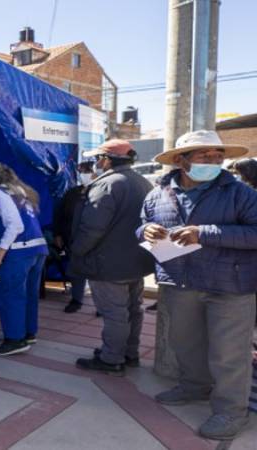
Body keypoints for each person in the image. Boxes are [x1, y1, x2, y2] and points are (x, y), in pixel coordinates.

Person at [139, 130, 257, 440]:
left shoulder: (241, 194)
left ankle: (231, 412)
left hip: (229, 285)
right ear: (181, 160)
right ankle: (195, 387)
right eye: (205, 156)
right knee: (186, 343)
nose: (214, 162)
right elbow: (141, 225)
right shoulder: (157, 193)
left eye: (219, 157)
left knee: (229, 353)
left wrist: (203, 233)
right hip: (181, 281)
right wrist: (145, 231)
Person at [70, 140, 154, 375]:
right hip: (136, 261)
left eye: (98, 159)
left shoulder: (107, 185)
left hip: (108, 264)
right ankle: (129, 353)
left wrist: (77, 250)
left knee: (115, 313)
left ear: (106, 160)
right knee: (133, 309)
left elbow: (93, 228)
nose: (96, 164)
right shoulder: (143, 182)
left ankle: (111, 359)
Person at [0, 162, 48, 356]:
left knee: (11, 295)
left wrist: (0, 251)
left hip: (19, 251)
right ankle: (28, 333)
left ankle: (14, 340)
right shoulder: (19, 191)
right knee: (28, 295)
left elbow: (15, 225)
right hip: (37, 249)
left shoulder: (0, 193)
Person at [53, 161, 95, 313]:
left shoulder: (104, 190)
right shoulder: (72, 193)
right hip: (73, 239)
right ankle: (76, 299)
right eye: (82, 171)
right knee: (76, 271)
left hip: (97, 240)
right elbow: (59, 214)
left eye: (88, 170)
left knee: (97, 273)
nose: (84, 174)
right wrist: (57, 234)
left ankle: (101, 306)